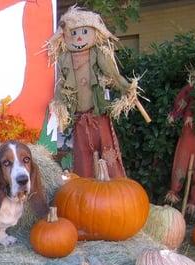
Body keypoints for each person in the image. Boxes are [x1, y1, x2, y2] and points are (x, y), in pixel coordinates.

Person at [47, 6, 144, 178]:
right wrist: (59, 103)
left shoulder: (98, 54)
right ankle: (86, 188)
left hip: (98, 115)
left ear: (94, 32)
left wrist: (126, 87)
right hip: (79, 119)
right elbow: (61, 85)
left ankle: (114, 186)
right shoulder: (64, 59)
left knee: (107, 152)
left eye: (84, 31)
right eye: (74, 32)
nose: (78, 37)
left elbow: (113, 76)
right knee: (83, 155)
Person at [165, 64, 195, 217]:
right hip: (189, 129)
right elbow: (182, 100)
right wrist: (176, 114)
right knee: (182, 160)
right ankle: (175, 192)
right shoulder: (191, 88)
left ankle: (193, 201)